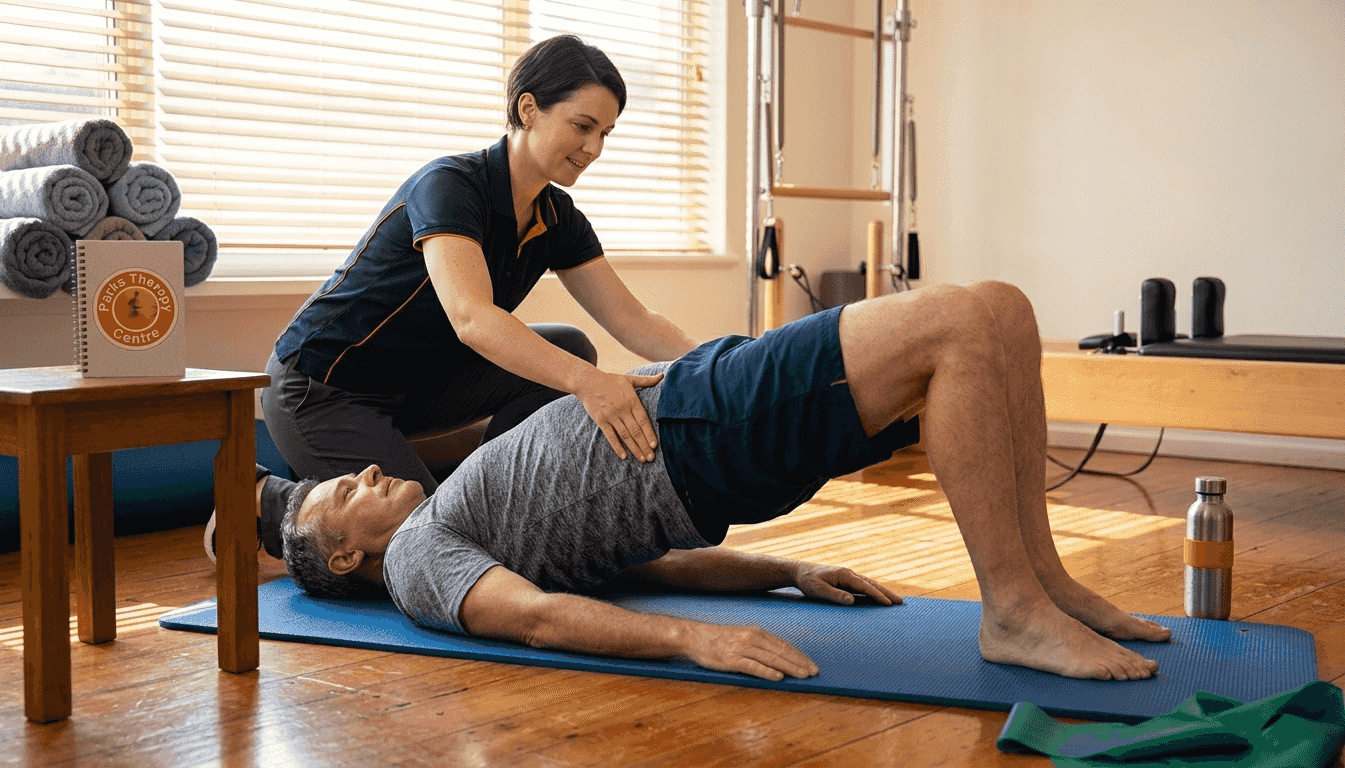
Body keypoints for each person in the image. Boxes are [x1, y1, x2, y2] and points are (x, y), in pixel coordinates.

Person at [278, 281, 1174, 682]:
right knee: (956, 322)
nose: (362, 472)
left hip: (693, 416)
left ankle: (1046, 585)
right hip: (691, 433)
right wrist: (690, 644)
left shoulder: (450, 524)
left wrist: (781, 572)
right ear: (352, 560)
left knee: (1001, 311)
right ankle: (1013, 611)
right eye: (343, 497)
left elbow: (637, 569)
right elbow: (538, 616)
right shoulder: (419, 565)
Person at [204, 35, 700, 561]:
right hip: (321, 388)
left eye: (605, 133)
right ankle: (267, 495)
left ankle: (489, 495)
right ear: (528, 109)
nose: (595, 148)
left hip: (413, 386)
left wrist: (730, 360)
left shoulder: (559, 218)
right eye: (582, 126)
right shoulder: (451, 185)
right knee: (433, 550)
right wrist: (591, 386)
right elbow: (472, 318)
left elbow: (634, 320)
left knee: (571, 349)